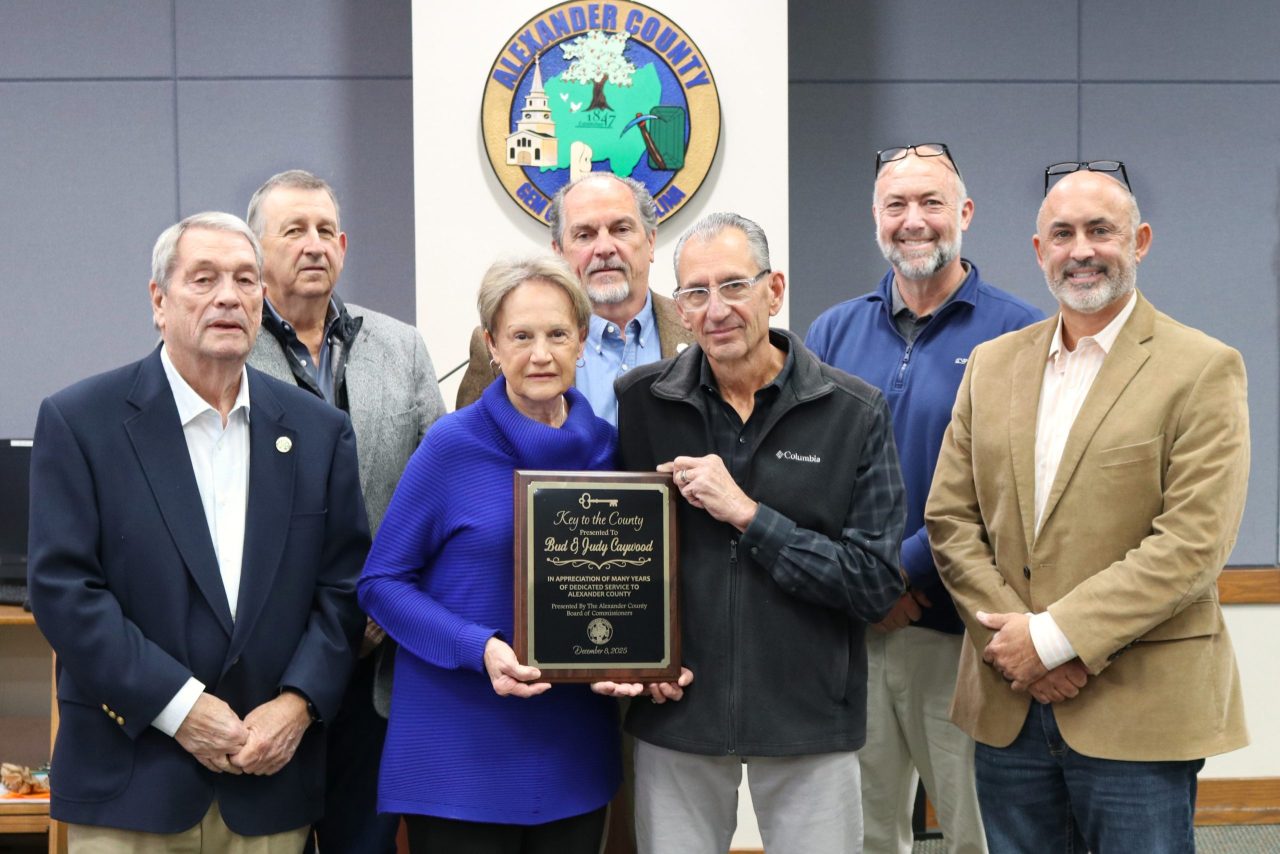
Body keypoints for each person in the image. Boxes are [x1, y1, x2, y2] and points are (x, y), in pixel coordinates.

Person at [925, 164, 1249, 853]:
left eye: (1101, 231)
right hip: (1008, 702)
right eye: (1062, 234)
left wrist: (1053, 640)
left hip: (1137, 708)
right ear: (1038, 250)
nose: (1081, 251)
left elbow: (1192, 543)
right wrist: (1017, 647)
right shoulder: (991, 364)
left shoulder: (1202, 368)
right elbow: (950, 521)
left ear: (1140, 242)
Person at [27, 212, 369, 851]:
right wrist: (179, 708)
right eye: (204, 279)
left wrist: (297, 705)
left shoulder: (318, 431)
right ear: (159, 301)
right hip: (132, 783)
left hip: (269, 779)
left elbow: (344, 588)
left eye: (245, 280)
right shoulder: (81, 422)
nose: (228, 297)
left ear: (262, 300)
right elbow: (63, 591)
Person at [613, 212, 907, 854]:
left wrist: (750, 516)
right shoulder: (641, 402)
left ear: (774, 291)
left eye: (734, 286)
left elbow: (876, 584)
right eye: (696, 292)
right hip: (678, 711)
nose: (716, 309)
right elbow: (620, 555)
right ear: (681, 310)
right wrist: (640, 656)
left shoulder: (853, 412)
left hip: (810, 716)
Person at [805, 143, 1041, 853]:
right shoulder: (832, 332)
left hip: (962, 634)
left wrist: (896, 576)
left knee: (978, 832)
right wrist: (864, 588)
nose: (914, 220)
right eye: (896, 205)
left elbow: (1008, 491)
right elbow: (812, 475)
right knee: (864, 833)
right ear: (876, 219)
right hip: (855, 633)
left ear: (965, 213)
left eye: (931, 202)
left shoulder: (1020, 333)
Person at [358, 255, 622, 853]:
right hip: (458, 753)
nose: (541, 354)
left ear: (582, 340)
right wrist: (475, 647)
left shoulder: (609, 453)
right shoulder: (450, 445)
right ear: (491, 345)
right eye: (521, 336)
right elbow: (381, 584)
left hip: (574, 750)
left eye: (557, 334)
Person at [245, 169, 446, 853]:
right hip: (264, 665)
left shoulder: (401, 346)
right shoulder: (228, 347)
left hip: (377, 659)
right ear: (256, 248)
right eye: (293, 230)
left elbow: (437, 488)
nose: (314, 244)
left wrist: (389, 605)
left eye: (326, 230)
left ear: (344, 245)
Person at [455, 173, 694, 422]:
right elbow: (471, 441)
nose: (604, 248)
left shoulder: (699, 330)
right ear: (558, 252)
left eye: (621, 230)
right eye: (584, 235)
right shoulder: (500, 347)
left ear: (651, 242)